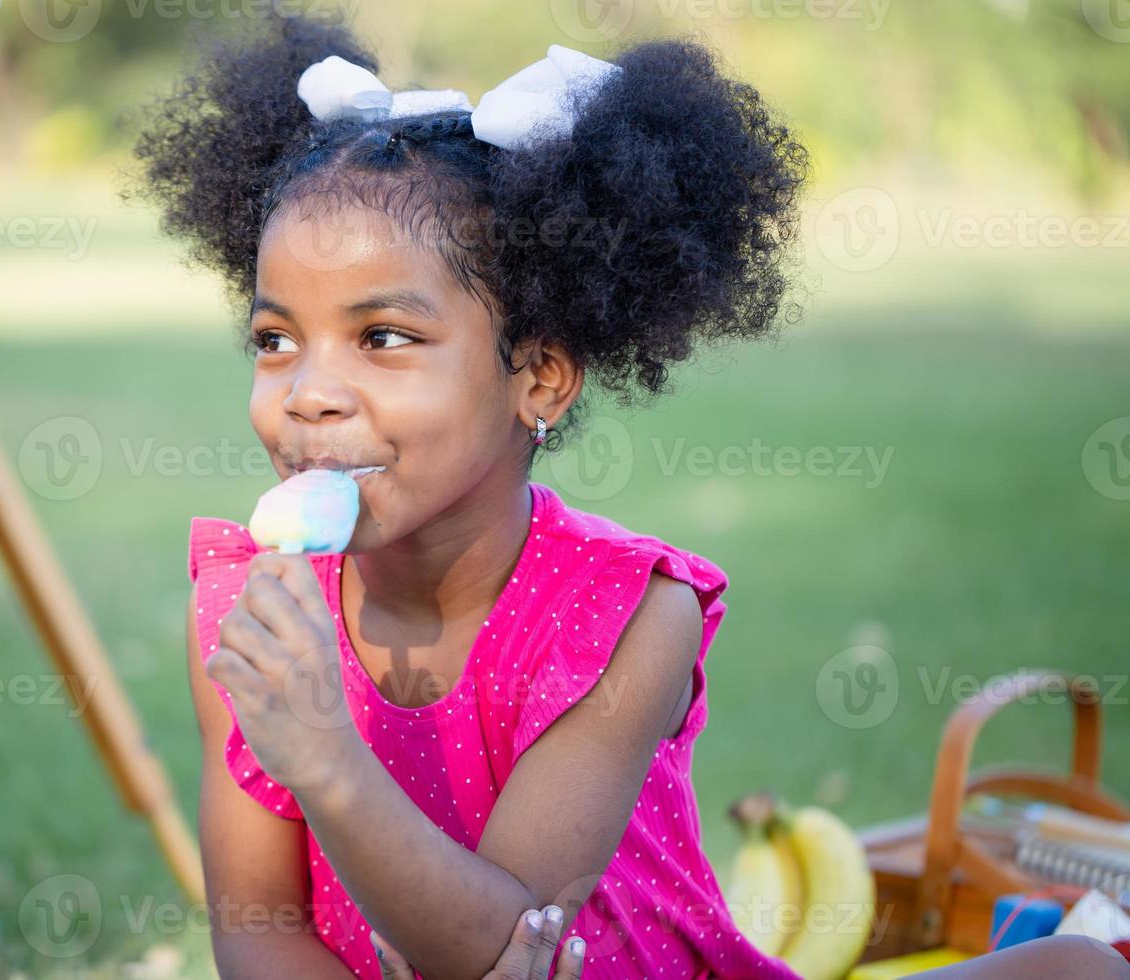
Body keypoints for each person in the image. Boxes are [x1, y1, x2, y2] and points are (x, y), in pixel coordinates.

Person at [138, 11, 1129, 980]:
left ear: (540, 378)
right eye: (275, 340)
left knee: (1078, 965)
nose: (308, 392)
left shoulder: (624, 617)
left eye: (384, 338)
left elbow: (500, 946)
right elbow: (255, 928)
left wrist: (326, 757)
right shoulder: (243, 613)